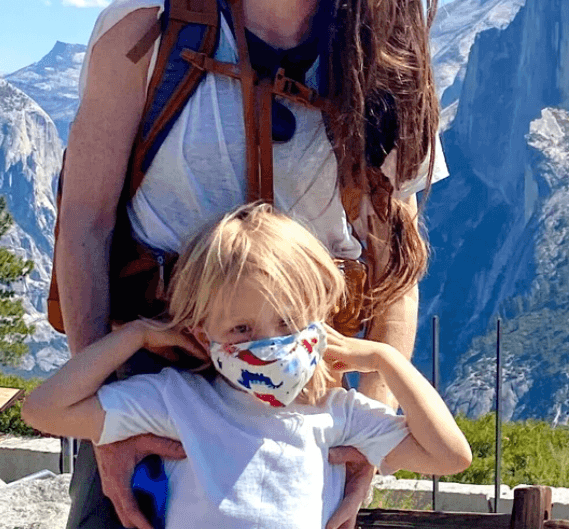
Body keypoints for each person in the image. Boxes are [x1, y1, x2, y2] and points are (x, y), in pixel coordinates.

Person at [54, 0, 446, 528]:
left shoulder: (388, 68)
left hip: (300, 411)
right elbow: (86, 225)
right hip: (157, 394)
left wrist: (366, 429)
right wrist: (108, 420)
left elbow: (394, 271)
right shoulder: (146, 31)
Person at [25, 204, 471, 529]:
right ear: (203, 334)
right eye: (241, 327)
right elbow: (43, 411)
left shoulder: (338, 416)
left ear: (318, 322)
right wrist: (136, 334)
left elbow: (450, 456)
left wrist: (383, 357)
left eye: (289, 321)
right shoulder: (177, 400)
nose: (269, 342)